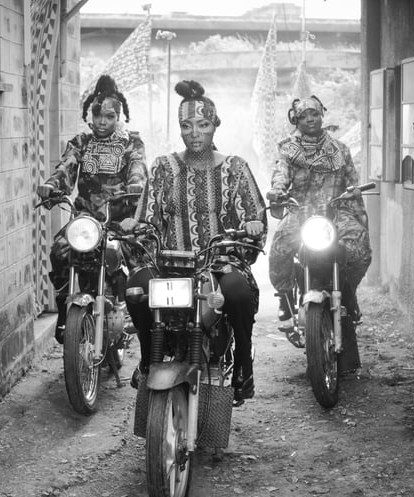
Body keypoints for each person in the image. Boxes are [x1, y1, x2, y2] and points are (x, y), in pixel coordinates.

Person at [120, 80, 268, 406]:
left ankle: (243, 365)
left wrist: (252, 225)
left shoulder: (235, 168)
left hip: (220, 263)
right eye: (187, 126)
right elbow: (148, 217)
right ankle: (147, 358)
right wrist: (137, 226)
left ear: (215, 125)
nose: (194, 133)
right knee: (135, 288)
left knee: (239, 293)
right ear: (180, 129)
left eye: (203, 125)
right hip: (169, 263)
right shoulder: (163, 167)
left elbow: (255, 216)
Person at [37, 75, 146, 342]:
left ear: (118, 117)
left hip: (120, 219)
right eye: (97, 115)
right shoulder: (81, 142)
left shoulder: (130, 142)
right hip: (86, 220)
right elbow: (66, 166)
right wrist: (52, 185)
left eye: (109, 116)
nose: (102, 122)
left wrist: (136, 183)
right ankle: (64, 306)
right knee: (59, 251)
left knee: (142, 260)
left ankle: (137, 314)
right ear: (90, 114)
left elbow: (138, 166)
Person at [266, 95, 371, 370]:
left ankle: (346, 290)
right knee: (279, 247)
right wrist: (277, 190)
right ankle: (285, 299)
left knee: (360, 248)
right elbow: (280, 174)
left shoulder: (340, 149)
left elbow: (352, 180)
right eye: (303, 116)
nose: (310, 119)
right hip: (301, 211)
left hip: (336, 210)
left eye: (314, 114)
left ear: (322, 115)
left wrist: (354, 192)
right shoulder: (288, 149)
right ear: (296, 120)